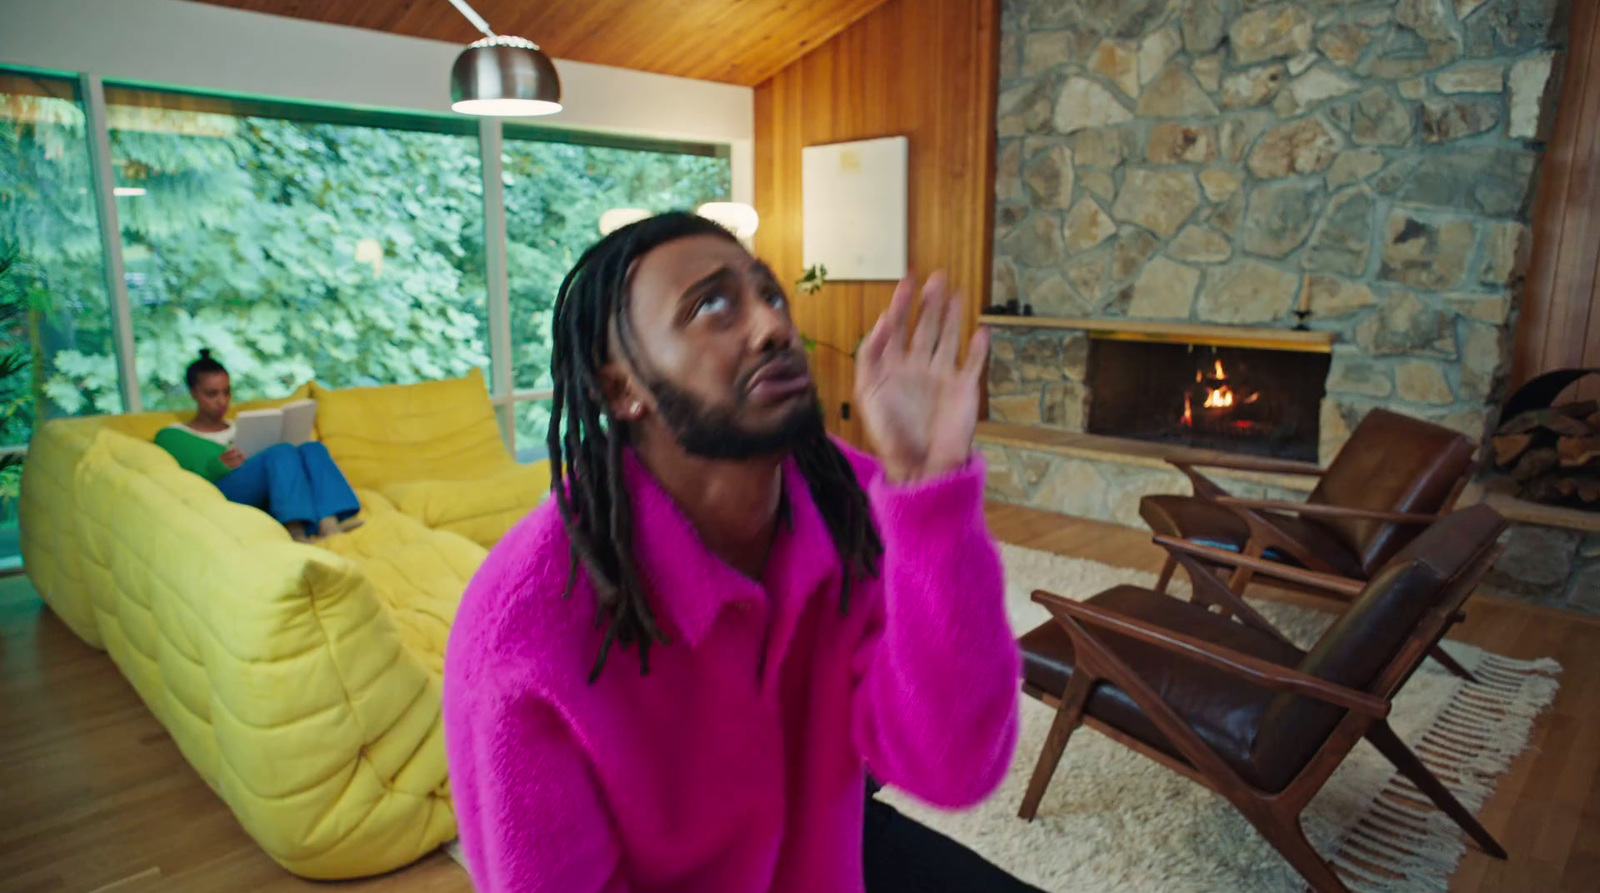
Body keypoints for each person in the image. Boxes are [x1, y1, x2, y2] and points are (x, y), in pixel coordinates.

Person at [444, 212, 1038, 893]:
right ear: (621, 389)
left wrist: (930, 488)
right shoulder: (521, 637)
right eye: (712, 305)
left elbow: (954, 764)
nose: (773, 327)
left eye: (771, 295)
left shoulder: (857, 504)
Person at [153, 350, 361, 543]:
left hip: (267, 490)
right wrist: (217, 466)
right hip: (223, 495)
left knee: (312, 448)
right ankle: (295, 531)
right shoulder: (172, 436)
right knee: (281, 453)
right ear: (193, 393)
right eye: (211, 394)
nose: (222, 401)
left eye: (227, 392)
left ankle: (328, 525)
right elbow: (181, 481)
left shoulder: (241, 428)